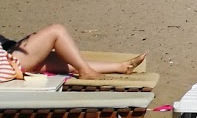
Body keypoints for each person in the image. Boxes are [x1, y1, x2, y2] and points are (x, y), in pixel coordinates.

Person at [1, 25, 146, 80]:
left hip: (5, 61)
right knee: (56, 31)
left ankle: (120, 67)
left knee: (61, 57)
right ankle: (86, 71)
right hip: (4, 66)